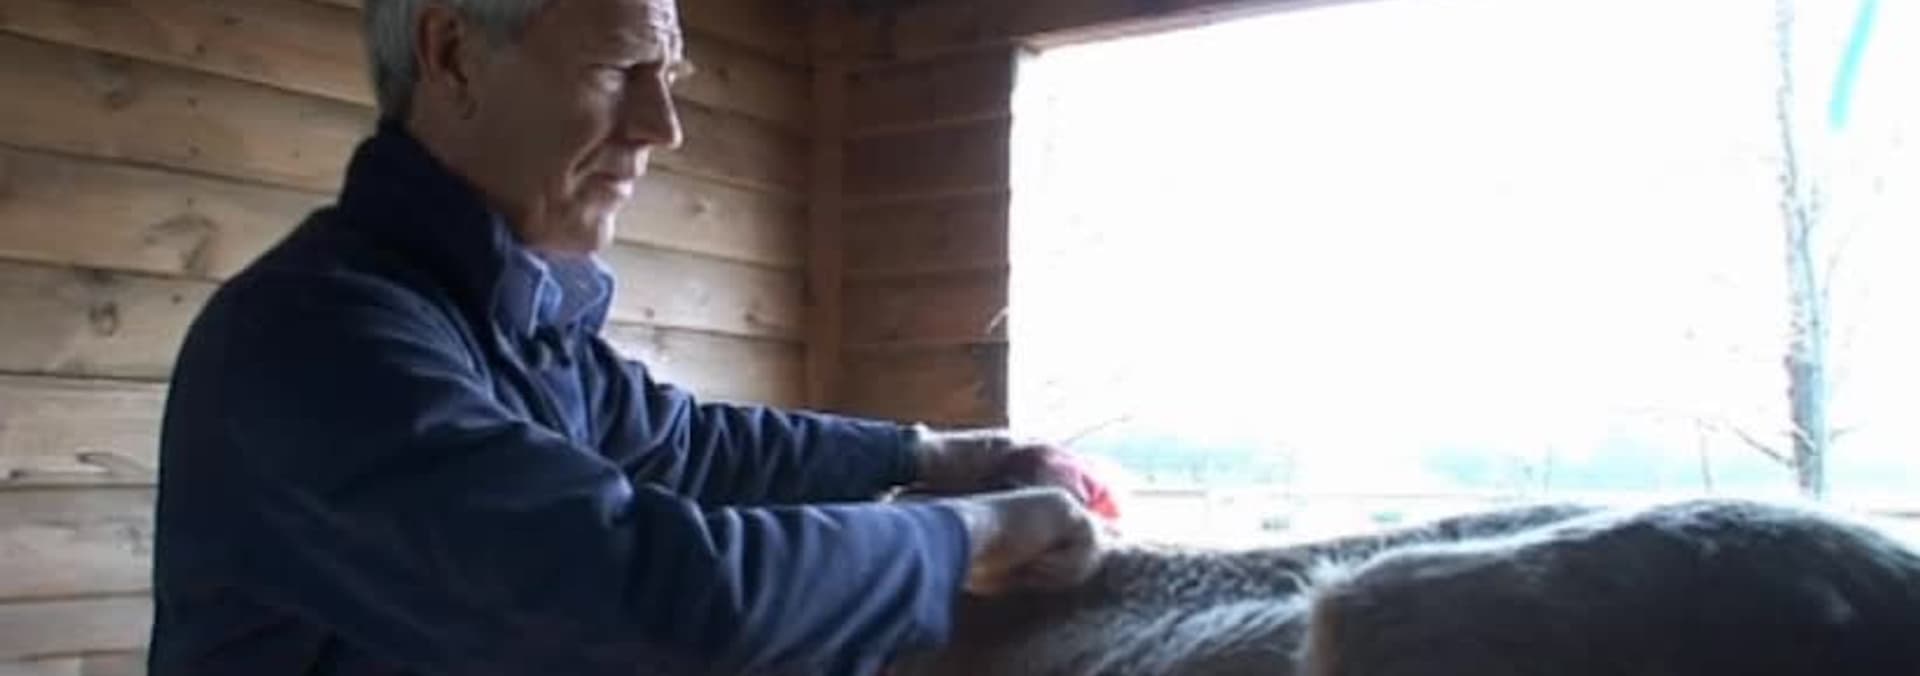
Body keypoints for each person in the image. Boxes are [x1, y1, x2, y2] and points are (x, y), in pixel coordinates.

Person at [145, 0, 1105, 673]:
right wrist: (978, 536)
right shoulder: (314, 342)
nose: (663, 125)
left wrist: (935, 455)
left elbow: (689, 447)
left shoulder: (511, 324)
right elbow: (648, 602)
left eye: (669, 76)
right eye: (618, 68)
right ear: (452, 55)